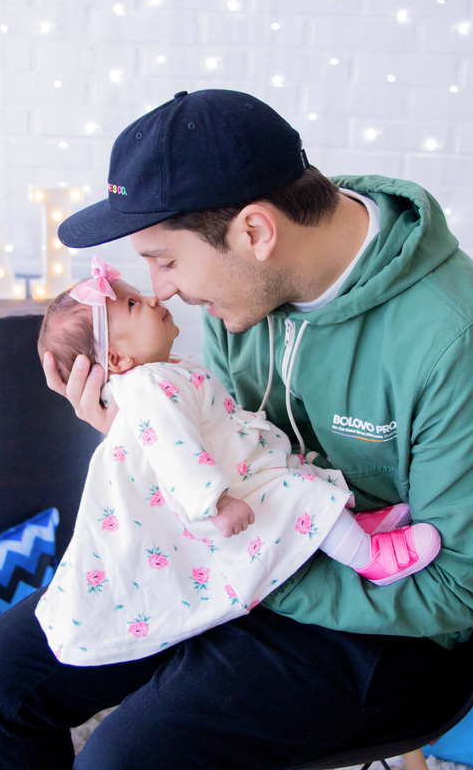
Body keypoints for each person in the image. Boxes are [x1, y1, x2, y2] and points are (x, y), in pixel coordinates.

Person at [0, 89, 473, 769]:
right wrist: (132, 432)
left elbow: (461, 591)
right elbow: (229, 453)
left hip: (385, 624)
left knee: (121, 761)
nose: (162, 290)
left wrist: (257, 566)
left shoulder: (462, 343)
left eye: (165, 260)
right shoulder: (249, 292)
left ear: (256, 233)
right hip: (247, 558)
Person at [34, 256, 441, 666]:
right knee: (296, 496)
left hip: (245, 467)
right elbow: (176, 455)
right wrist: (214, 503)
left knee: (300, 475)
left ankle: (348, 530)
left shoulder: (160, 374)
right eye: (133, 305)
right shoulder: (147, 385)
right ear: (118, 360)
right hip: (229, 498)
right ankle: (370, 559)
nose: (153, 296)